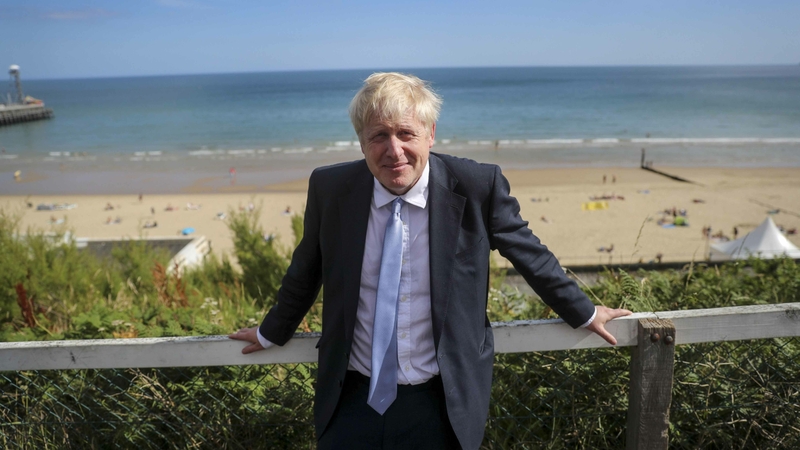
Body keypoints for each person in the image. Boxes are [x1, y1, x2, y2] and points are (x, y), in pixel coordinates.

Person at [229, 73, 631, 449]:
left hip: (442, 403)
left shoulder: (476, 185)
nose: (394, 150)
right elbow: (307, 266)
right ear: (361, 142)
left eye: (406, 133)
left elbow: (528, 252)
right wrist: (271, 332)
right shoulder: (331, 188)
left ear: (431, 134)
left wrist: (583, 311)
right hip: (350, 398)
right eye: (378, 136)